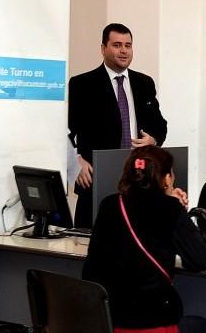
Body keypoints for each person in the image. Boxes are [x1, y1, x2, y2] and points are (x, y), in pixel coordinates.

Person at [82, 146, 206, 333]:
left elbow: (91, 270)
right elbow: (201, 260)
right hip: (154, 322)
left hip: (112, 320)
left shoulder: (109, 205)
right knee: (201, 326)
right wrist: (178, 210)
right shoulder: (170, 208)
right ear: (166, 179)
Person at [68, 23, 167, 228]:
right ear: (103, 48)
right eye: (117, 45)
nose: (123, 51)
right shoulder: (82, 84)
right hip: (96, 179)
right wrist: (75, 161)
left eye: (128, 45)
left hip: (137, 179)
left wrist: (153, 140)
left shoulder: (144, 83)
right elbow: (66, 130)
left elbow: (160, 125)